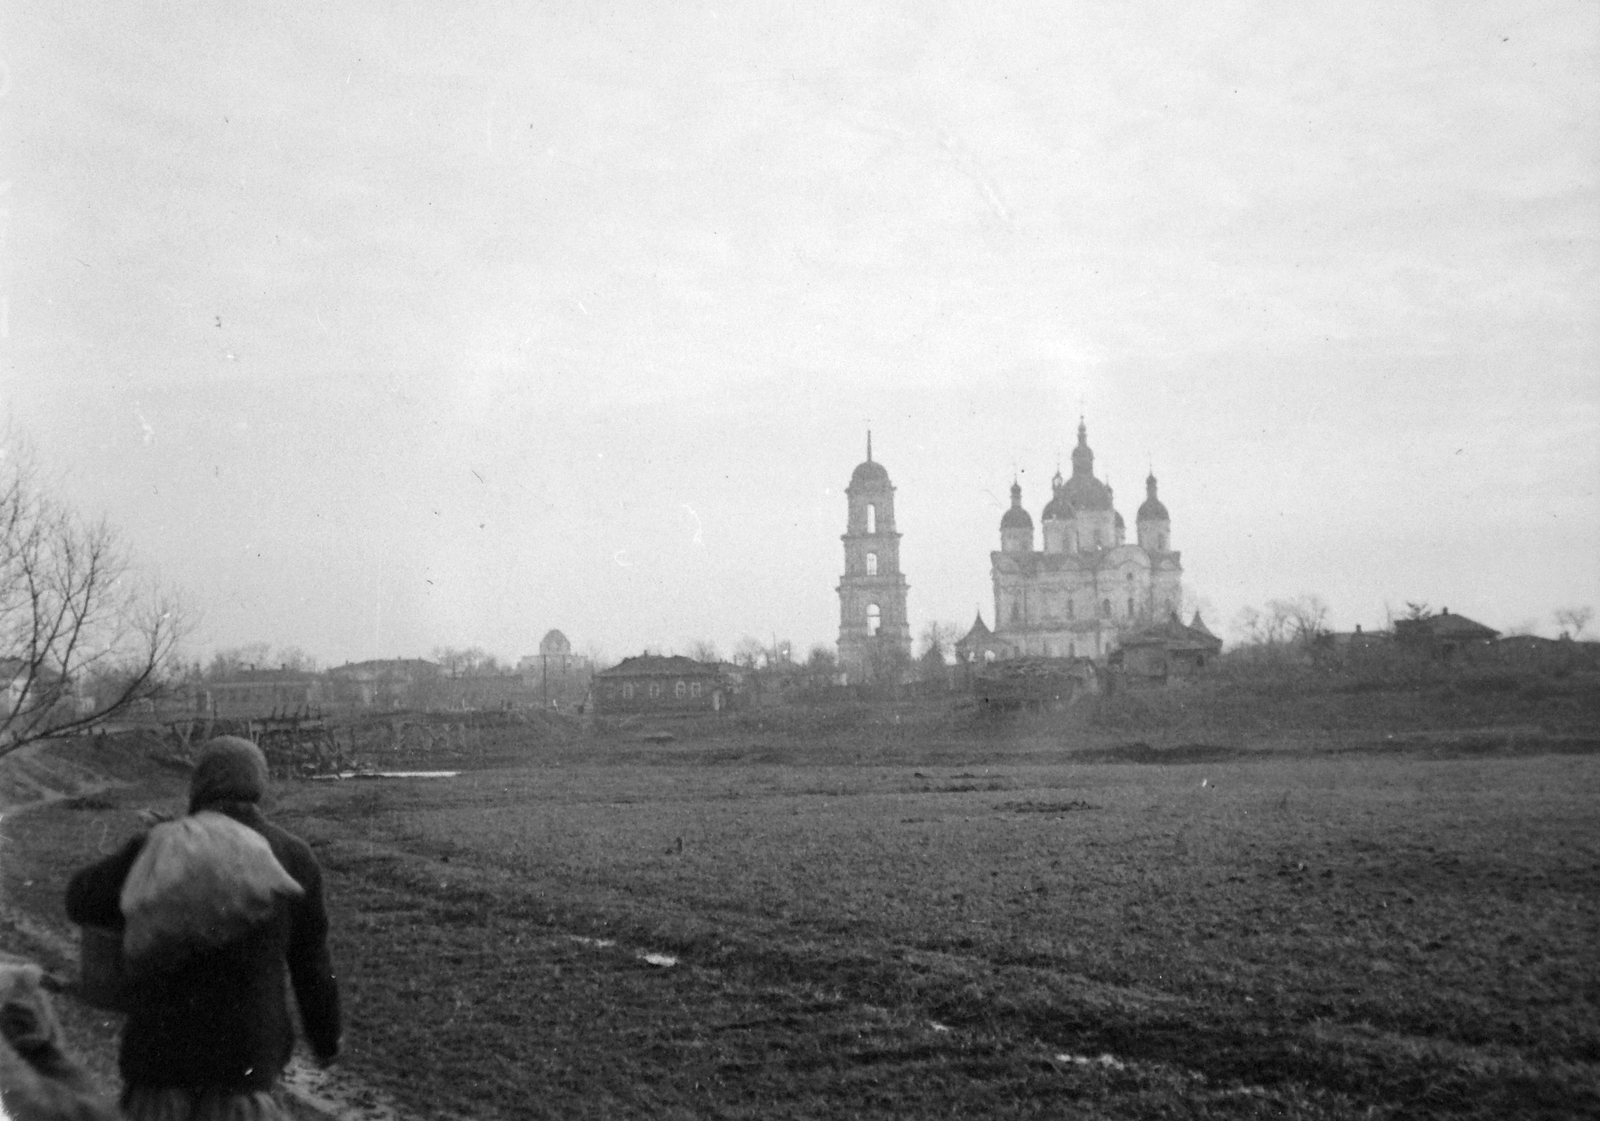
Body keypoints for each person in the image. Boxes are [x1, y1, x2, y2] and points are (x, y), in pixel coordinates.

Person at [65, 737, 341, 1121]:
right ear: (258, 785)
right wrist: (326, 1040)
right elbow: (311, 964)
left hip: (161, 1061)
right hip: (244, 1062)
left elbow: (80, 899)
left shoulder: (162, 844)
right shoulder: (293, 856)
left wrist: (143, 858)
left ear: (200, 786)